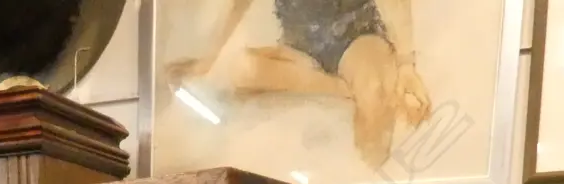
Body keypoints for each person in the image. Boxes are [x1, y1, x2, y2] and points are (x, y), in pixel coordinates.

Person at [168, 0, 432, 168]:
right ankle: (340, 88)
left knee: (375, 91)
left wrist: (406, 64)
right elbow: (238, 4)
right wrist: (210, 59)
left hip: (357, 37)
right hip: (299, 49)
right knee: (239, 69)